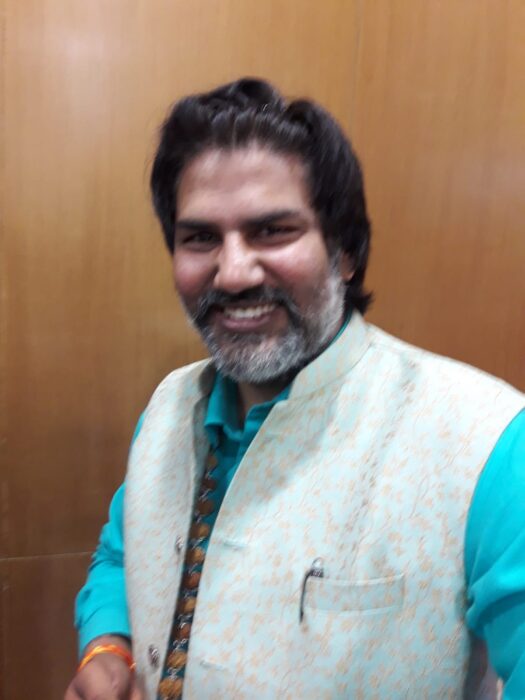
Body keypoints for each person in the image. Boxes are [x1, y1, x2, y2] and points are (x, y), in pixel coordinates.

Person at [65, 78, 525, 700]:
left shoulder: (488, 440)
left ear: (345, 252)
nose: (232, 273)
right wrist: (108, 647)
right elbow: (124, 557)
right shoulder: (168, 407)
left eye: (273, 231)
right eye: (200, 237)